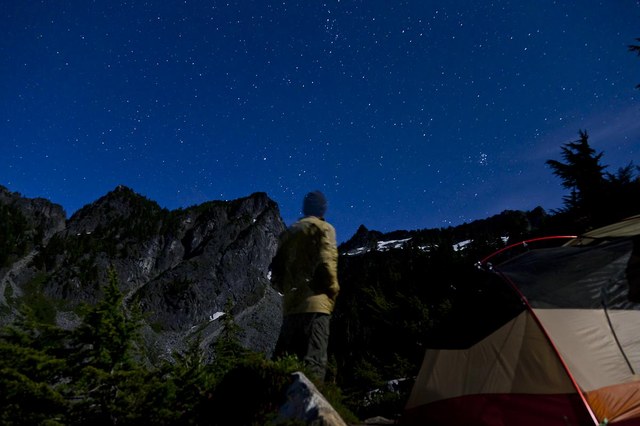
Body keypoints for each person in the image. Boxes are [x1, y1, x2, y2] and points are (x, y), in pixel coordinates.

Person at [270, 190, 340, 383]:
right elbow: (326, 261)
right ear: (322, 209)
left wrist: (287, 290)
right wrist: (333, 289)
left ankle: (275, 407)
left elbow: (276, 271)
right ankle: (309, 409)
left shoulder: (288, 233)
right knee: (314, 362)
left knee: (284, 363)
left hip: (291, 307)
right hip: (316, 305)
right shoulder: (324, 228)